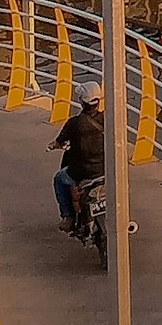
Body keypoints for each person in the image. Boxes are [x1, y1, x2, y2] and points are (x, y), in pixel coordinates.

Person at [54, 85, 105, 231]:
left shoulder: (74, 123)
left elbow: (60, 140)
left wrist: (55, 144)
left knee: (59, 179)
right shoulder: (108, 119)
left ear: (82, 102)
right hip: (104, 168)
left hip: (81, 172)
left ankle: (68, 216)